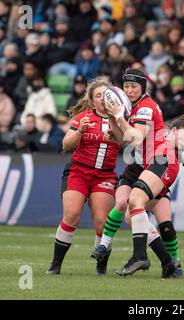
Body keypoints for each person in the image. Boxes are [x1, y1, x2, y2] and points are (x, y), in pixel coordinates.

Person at [91, 116, 184, 278]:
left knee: (164, 221)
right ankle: (105, 246)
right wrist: (117, 121)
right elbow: (132, 136)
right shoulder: (153, 129)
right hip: (136, 171)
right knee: (125, 210)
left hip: (156, 173)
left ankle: (170, 260)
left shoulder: (172, 148)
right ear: (174, 131)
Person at [102, 69, 181, 277]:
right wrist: (112, 118)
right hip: (151, 163)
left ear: (143, 88)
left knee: (135, 199)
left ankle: (140, 257)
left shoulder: (145, 107)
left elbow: (136, 138)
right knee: (131, 216)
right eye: (126, 86)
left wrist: (119, 116)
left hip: (163, 158)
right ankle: (167, 262)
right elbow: (123, 140)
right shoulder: (133, 108)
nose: (129, 90)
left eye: (134, 86)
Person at [46, 76, 123, 276]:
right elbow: (66, 145)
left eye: (106, 95)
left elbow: (124, 141)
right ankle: (55, 265)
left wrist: (115, 122)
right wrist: (79, 131)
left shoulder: (121, 119)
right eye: (98, 95)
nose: (102, 99)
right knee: (71, 215)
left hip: (104, 176)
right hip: (78, 172)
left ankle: (101, 266)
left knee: (102, 221)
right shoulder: (83, 118)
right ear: (91, 100)